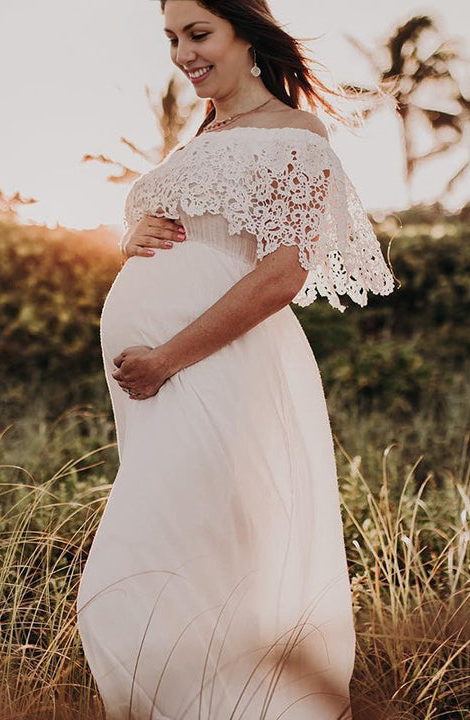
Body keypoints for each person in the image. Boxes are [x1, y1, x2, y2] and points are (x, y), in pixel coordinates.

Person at [76, 1, 396, 718]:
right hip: (163, 388)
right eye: (171, 39)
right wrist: (133, 237)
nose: (183, 53)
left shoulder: (296, 134)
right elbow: (193, 238)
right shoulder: (201, 139)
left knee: (149, 564)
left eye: (198, 34)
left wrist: (166, 358)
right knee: (184, 560)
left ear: (246, 35)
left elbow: (282, 273)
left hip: (214, 372)